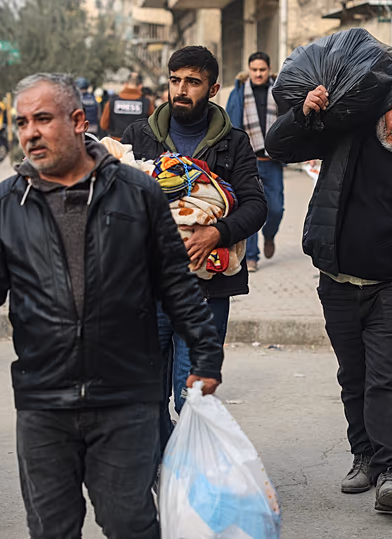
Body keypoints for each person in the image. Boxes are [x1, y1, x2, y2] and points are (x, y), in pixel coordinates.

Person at [0, 73, 224, 538]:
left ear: (79, 121)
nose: (30, 133)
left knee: (130, 523)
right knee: (52, 529)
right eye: (22, 123)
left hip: (126, 397)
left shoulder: (137, 194)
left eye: (43, 119)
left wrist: (206, 355)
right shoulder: (3, 205)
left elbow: (176, 284)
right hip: (43, 400)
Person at [265, 77, 392, 513]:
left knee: (387, 378)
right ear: (384, 110)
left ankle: (391, 469)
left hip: (391, 288)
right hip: (337, 284)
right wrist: (303, 112)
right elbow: (278, 147)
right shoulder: (347, 135)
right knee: (352, 377)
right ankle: (364, 457)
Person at [122, 46, 266, 444]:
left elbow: (256, 206)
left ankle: (191, 468)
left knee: (193, 395)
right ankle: (163, 462)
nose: (181, 90)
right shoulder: (138, 137)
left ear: (213, 88)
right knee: (145, 394)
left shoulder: (233, 143)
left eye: (192, 82)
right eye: (175, 81)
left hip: (206, 291)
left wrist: (217, 233)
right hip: (145, 288)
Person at [227, 51, 283, 272]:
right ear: (249, 70)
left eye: (262, 70)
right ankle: (251, 256)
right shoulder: (238, 93)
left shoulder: (280, 91)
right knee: (249, 208)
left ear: (269, 69)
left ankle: (269, 235)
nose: (258, 74)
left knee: (276, 209)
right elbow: (230, 124)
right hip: (247, 162)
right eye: (254, 70)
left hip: (272, 161)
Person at [99, 72, 153, 141]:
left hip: (117, 143)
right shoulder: (147, 103)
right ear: (140, 86)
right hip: (139, 143)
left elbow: (103, 125)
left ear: (125, 84)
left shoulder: (112, 102)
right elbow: (154, 125)